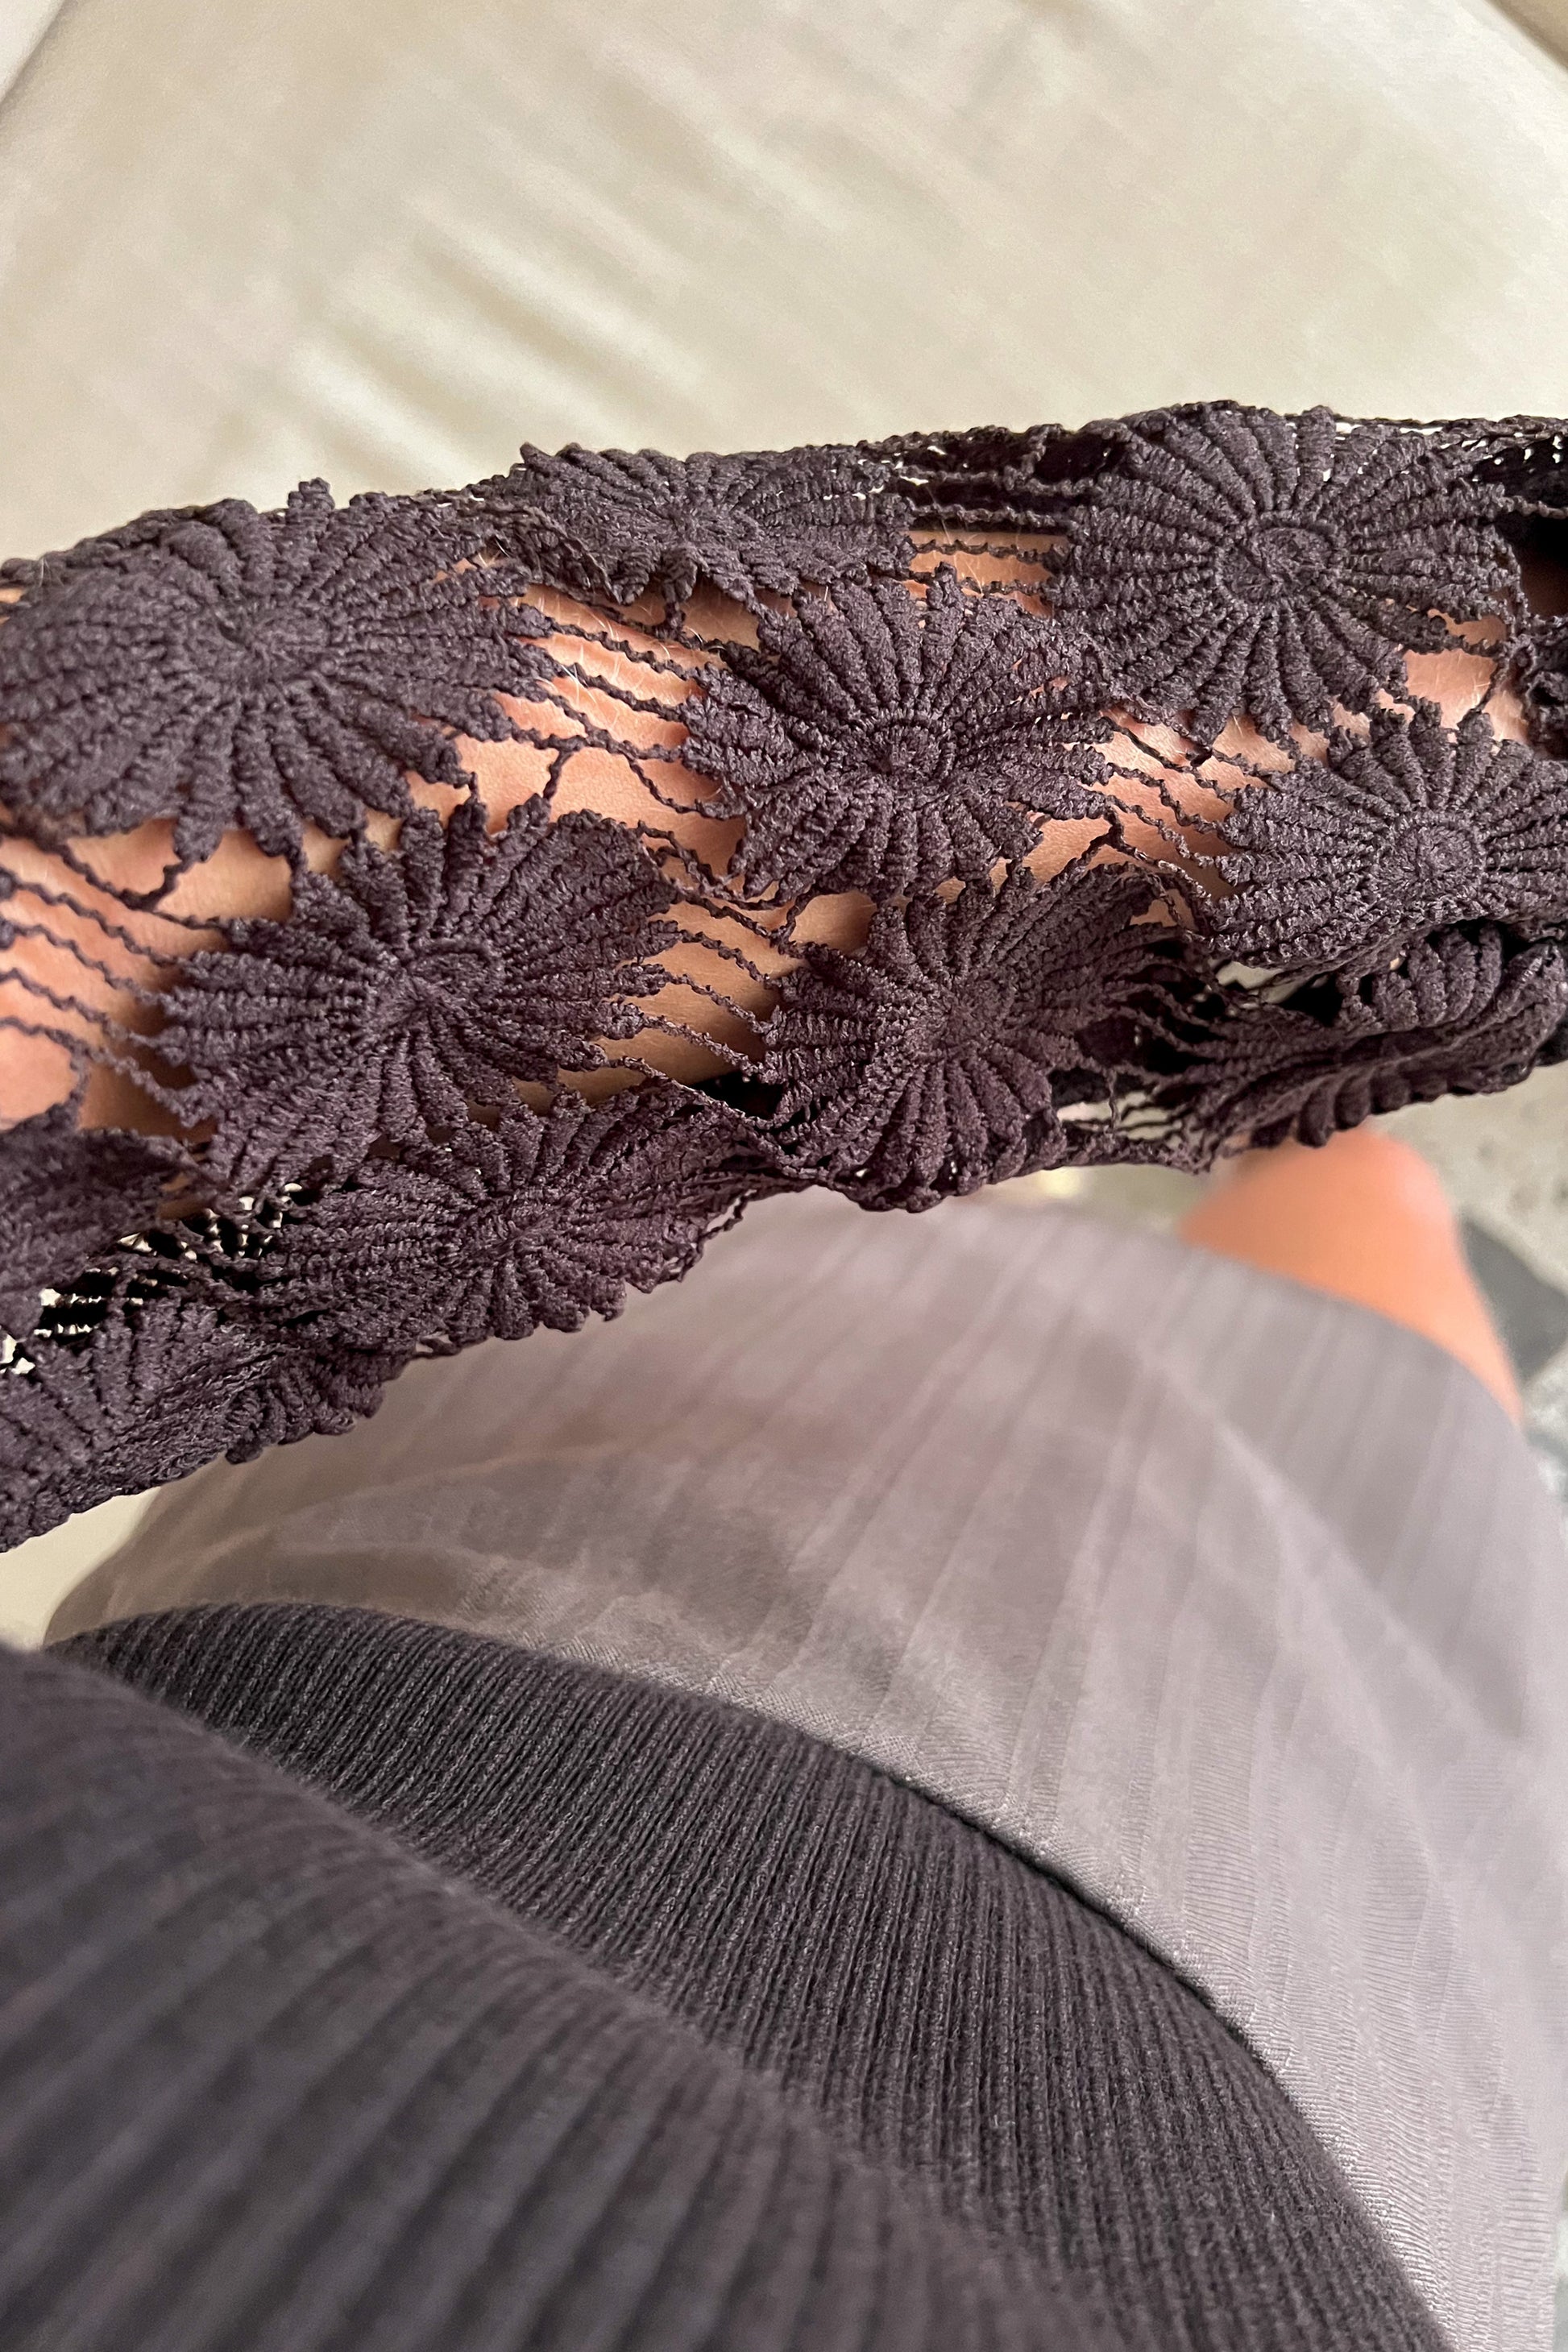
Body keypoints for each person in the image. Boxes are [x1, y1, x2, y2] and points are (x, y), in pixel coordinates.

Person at [3, 404, 1568, 2352]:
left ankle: (1285, 1094)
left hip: (528, 1677)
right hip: (1321, 2035)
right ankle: (1316, 1110)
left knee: (1150, 1266)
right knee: (1382, 1326)